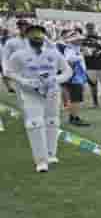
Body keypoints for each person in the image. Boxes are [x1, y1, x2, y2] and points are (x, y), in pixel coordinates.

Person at [7, 24, 72, 172]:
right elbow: (10, 72)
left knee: (52, 121)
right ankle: (41, 160)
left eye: (40, 34)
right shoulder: (19, 55)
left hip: (52, 92)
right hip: (30, 93)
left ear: (44, 36)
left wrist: (56, 79)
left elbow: (68, 71)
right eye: (33, 34)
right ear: (27, 36)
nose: (36, 37)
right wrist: (24, 81)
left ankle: (51, 154)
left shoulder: (54, 53)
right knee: (34, 123)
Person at [61, 30, 92, 126]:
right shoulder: (70, 48)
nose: (80, 41)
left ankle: (73, 116)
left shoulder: (76, 48)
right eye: (77, 39)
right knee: (76, 99)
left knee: (76, 98)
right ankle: (75, 118)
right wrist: (81, 56)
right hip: (74, 77)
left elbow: (88, 54)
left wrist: (82, 53)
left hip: (76, 76)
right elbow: (68, 59)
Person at [2, 19, 31, 94]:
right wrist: (5, 69)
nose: (23, 29)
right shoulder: (11, 42)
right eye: (21, 27)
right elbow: (5, 57)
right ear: (18, 28)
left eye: (25, 27)